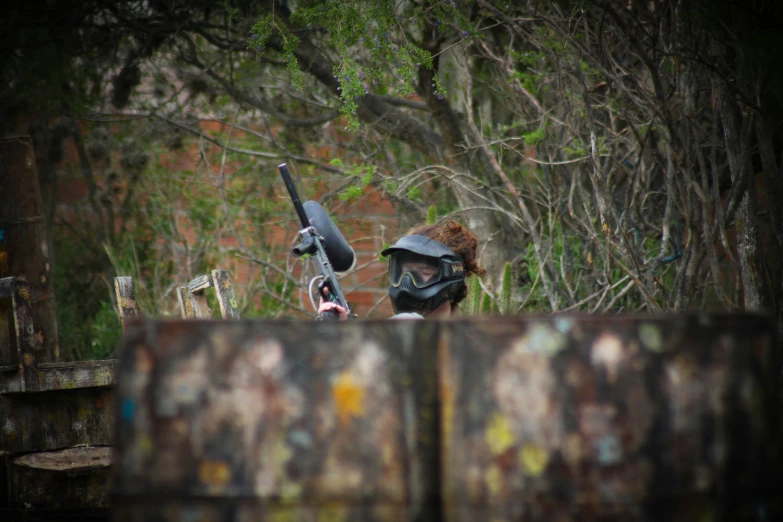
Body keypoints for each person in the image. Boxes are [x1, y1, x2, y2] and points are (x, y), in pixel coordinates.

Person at [318, 220, 485, 320]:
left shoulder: (473, 349)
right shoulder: (384, 342)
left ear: (452, 277)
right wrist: (338, 334)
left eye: (425, 272)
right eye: (405, 271)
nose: (407, 283)